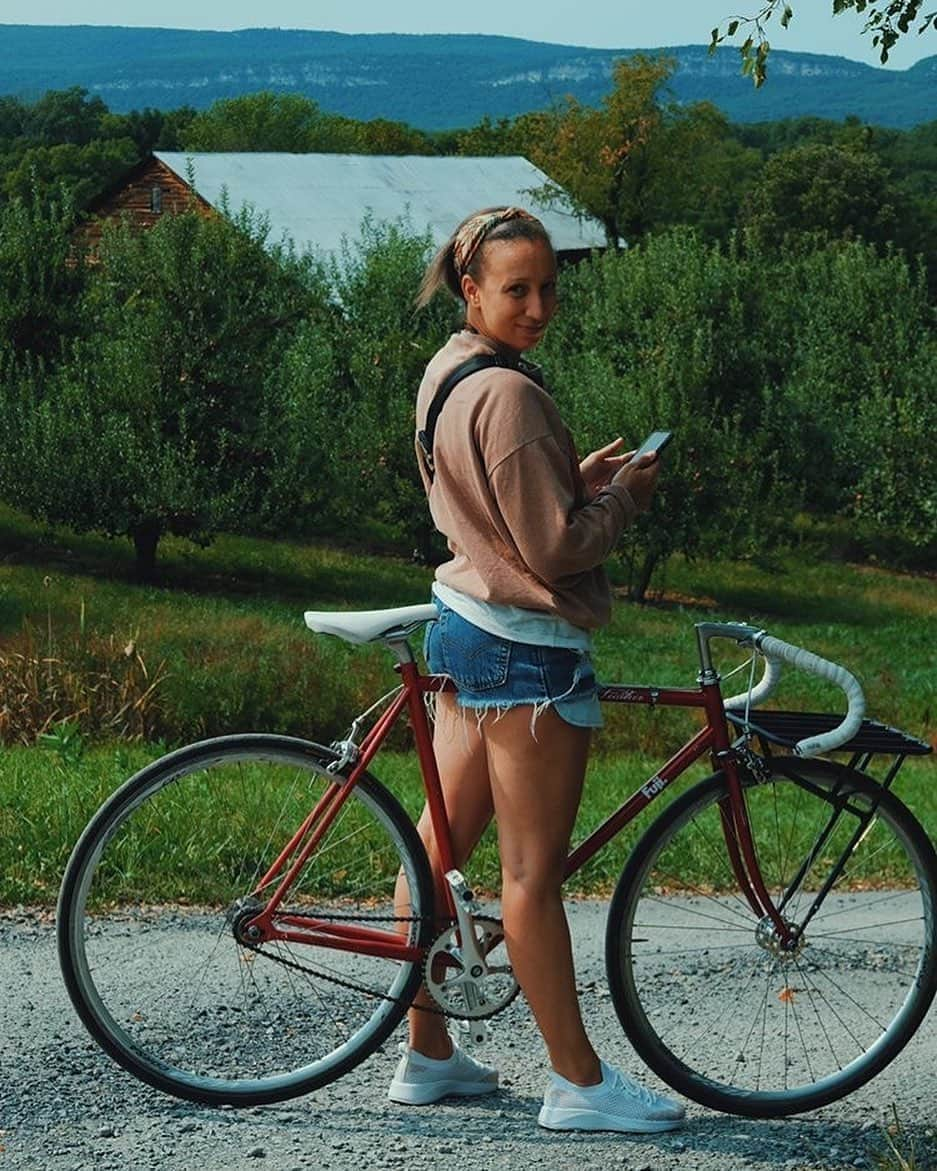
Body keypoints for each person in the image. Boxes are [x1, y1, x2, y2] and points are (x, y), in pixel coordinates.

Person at [388, 206, 685, 1134]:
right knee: (530, 875)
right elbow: (552, 553)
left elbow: (494, 503)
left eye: (549, 286)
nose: (539, 306)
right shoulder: (512, 394)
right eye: (517, 289)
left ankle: (428, 1053)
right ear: (471, 286)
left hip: (463, 622)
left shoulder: (450, 369)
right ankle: (578, 1084)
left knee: (437, 852)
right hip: (526, 649)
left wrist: (572, 481)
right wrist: (623, 499)